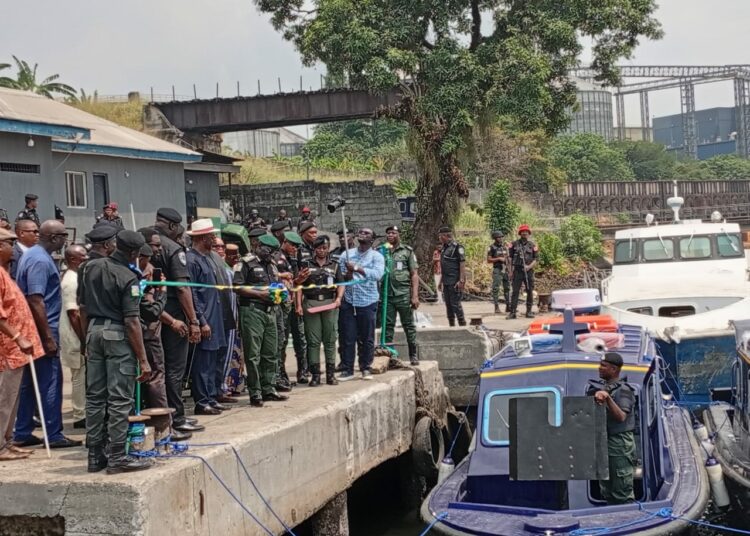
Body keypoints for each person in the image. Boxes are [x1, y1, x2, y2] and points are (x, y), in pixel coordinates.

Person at [79, 230, 153, 474]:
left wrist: (85, 340)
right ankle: (118, 456)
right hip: (117, 335)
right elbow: (132, 320)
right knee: (120, 398)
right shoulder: (129, 277)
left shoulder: (89, 267)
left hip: (93, 331)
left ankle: (95, 454)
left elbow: (82, 307)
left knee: (95, 396)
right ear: (134, 253)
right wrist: (143, 360)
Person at [13, 220, 81, 449]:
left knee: (29, 383)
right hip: (43, 329)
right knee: (51, 381)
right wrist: (48, 337)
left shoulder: (32, 255)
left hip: (33, 328)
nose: (65, 241)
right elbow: (35, 298)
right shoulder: (40, 260)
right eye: (63, 236)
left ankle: (22, 431)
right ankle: (53, 434)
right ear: (54, 238)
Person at [151, 208, 203, 433]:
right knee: (174, 368)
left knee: (155, 368)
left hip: (151, 314)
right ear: (173, 226)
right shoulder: (173, 248)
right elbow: (182, 288)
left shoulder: (144, 238)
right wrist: (193, 320)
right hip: (174, 313)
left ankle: (158, 414)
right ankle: (176, 416)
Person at [0, 228, 44, 461]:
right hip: (8, 348)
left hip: (17, 351)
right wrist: (18, 337)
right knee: (4, 399)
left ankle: (7, 441)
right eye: (9, 243)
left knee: (12, 398)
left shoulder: (4, 272)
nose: (13, 248)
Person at [233, 233, 289, 406]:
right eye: (269, 251)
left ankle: (269, 388)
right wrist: (260, 294)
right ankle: (255, 392)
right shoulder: (246, 263)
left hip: (271, 311)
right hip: (253, 310)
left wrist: (281, 291)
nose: (271, 255)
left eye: (274, 252)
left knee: (271, 352)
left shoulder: (271, 265)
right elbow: (237, 287)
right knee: (253, 354)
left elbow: (274, 284)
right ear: (258, 245)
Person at [186, 219, 228, 415]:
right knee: (202, 363)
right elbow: (192, 293)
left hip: (215, 316)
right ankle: (202, 400)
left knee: (213, 359)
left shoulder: (208, 258)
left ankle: (211, 395)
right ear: (203, 238)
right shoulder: (192, 260)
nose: (214, 239)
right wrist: (201, 321)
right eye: (211, 236)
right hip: (205, 317)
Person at [587, 352, 636, 505]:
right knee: (607, 487)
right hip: (604, 441)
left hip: (619, 442)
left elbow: (621, 417)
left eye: (604, 366)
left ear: (614, 369)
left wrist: (607, 399)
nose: (599, 368)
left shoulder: (624, 390)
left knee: (621, 487)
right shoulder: (605, 387)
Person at [297, 236, 345, 386]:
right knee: (313, 341)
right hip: (311, 303)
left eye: (324, 248)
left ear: (328, 248)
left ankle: (330, 375)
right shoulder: (306, 264)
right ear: (314, 249)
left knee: (330, 339)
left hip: (330, 303)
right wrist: (298, 305)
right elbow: (299, 285)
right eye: (319, 248)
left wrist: (339, 298)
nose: (322, 251)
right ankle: (315, 375)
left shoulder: (334, 265)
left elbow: (341, 283)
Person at [338, 228, 385, 381]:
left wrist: (358, 268)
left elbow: (377, 275)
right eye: (360, 232)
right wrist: (349, 274)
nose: (361, 234)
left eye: (366, 233)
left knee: (367, 337)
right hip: (349, 301)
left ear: (372, 239)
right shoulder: (346, 254)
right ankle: (347, 369)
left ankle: (365, 367)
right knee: (348, 337)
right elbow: (342, 276)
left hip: (368, 300)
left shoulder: (376, 256)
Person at [59, 244, 88, 429]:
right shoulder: (71, 281)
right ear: (73, 260)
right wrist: (84, 340)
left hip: (76, 333)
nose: (86, 259)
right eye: (82, 257)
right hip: (74, 335)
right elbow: (74, 314)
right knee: (79, 375)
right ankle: (80, 414)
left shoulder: (78, 277)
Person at [383, 226, 420, 365]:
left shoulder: (407, 251)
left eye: (393, 233)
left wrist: (415, 296)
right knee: (388, 326)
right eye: (388, 233)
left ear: (399, 234)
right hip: (387, 295)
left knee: (408, 325)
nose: (390, 235)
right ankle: (390, 355)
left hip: (403, 294)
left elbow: (414, 274)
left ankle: (413, 355)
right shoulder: (382, 250)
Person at [211, 236, 240, 405]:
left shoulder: (228, 269)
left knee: (226, 355)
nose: (220, 250)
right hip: (216, 317)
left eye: (222, 247)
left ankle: (222, 386)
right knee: (216, 356)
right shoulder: (213, 266)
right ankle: (217, 389)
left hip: (230, 316)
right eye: (217, 247)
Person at [507, 224, 538, 320]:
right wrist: (510, 271)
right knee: (515, 292)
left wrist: (529, 267)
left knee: (529, 291)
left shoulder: (533, 245)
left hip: (528, 271)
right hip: (517, 271)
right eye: (523, 232)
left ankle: (529, 311)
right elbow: (510, 259)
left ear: (529, 233)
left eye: (526, 232)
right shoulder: (514, 244)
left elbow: (536, 259)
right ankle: (512, 312)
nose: (525, 233)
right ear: (520, 233)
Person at [438, 227, 466, 327]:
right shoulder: (444, 248)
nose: (439, 238)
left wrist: (461, 280)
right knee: (448, 305)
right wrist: (441, 281)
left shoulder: (457, 247)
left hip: (454, 281)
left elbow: (462, 264)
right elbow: (444, 266)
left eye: (441, 236)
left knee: (455, 304)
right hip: (446, 281)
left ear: (446, 236)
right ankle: (452, 326)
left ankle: (462, 325)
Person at [487, 231, 510, 314]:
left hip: (505, 269)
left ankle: (508, 306)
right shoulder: (492, 247)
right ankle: (496, 306)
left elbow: (508, 258)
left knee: (507, 288)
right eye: (499, 237)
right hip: (497, 269)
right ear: (495, 238)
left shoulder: (504, 247)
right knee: (496, 288)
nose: (500, 239)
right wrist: (498, 259)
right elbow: (489, 260)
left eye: (501, 237)